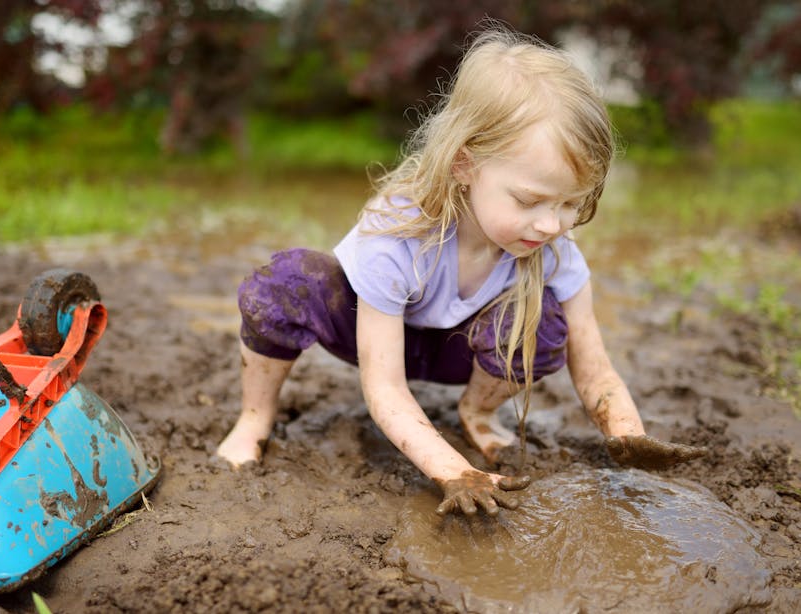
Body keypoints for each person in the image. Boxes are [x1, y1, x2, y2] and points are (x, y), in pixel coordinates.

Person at [216, 25, 706, 517]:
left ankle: (476, 411)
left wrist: (626, 432)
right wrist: (453, 470)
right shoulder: (396, 236)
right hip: (375, 341)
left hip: (461, 354)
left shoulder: (554, 247)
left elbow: (593, 362)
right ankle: (254, 418)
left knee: (544, 318)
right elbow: (383, 387)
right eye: (530, 200)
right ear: (464, 164)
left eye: (571, 203)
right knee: (286, 281)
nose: (550, 223)